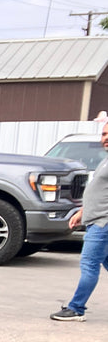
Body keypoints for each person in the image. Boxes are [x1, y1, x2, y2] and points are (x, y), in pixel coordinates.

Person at [51, 120, 108, 321]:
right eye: (104, 134)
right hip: (96, 219)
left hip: (102, 224)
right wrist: (82, 212)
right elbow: (99, 191)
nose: (106, 138)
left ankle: (76, 309)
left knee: (89, 264)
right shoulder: (105, 160)